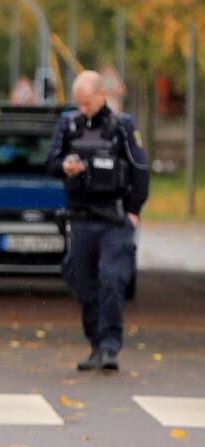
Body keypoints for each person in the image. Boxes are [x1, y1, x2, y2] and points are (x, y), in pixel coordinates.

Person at [47, 70, 149, 372]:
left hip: (114, 220)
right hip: (80, 219)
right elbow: (49, 163)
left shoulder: (123, 126)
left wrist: (134, 210)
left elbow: (140, 169)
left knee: (112, 280)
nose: (83, 110)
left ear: (102, 97)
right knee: (80, 280)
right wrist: (64, 166)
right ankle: (96, 343)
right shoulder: (68, 124)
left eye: (87, 103)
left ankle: (109, 347)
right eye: (78, 103)